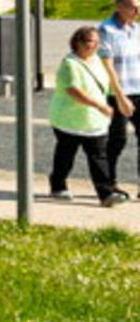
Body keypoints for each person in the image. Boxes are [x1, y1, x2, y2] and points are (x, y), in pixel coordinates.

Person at [50, 24, 130, 206]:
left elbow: (108, 84)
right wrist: (100, 106)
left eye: (96, 42)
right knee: (65, 156)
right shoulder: (70, 64)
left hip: (94, 121)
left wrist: (120, 100)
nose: (93, 46)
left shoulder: (97, 61)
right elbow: (73, 91)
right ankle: (58, 185)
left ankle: (106, 194)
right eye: (89, 41)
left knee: (98, 158)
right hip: (69, 120)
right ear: (77, 42)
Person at [99, 0, 140, 184]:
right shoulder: (106, 30)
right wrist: (121, 97)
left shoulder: (136, 29)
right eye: (133, 7)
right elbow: (108, 67)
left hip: (138, 89)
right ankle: (109, 182)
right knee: (118, 139)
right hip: (118, 93)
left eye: (138, 7)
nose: (137, 11)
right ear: (119, 7)